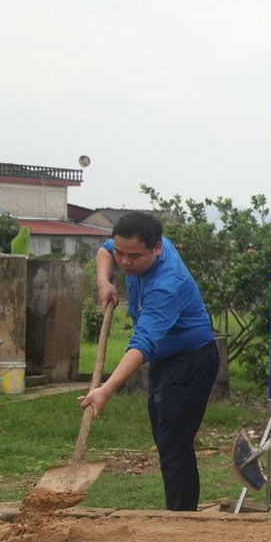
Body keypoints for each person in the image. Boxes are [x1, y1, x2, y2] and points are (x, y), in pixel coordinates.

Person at [81, 212, 218, 511]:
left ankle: (180, 519)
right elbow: (105, 250)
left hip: (191, 362)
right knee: (168, 439)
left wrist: (106, 389)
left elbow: (142, 343)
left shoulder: (166, 285)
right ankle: (182, 513)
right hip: (166, 362)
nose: (125, 262)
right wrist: (104, 282)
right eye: (122, 254)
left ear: (157, 248)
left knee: (173, 443)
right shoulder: (132, 247)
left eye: (134, 256)